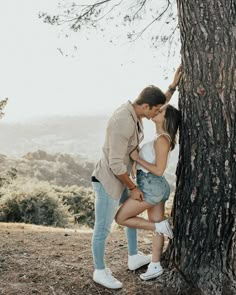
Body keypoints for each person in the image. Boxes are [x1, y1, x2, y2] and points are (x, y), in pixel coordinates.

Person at [91, 66, 182, 289]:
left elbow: (161, 109)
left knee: (129, 217)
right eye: (156, 109)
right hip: (110, 180)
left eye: (160, 109)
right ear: (145, 107)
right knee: (102, 228)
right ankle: (100, 271)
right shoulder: (124, 120)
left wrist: (172, 86)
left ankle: (133, 257)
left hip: (125, 177)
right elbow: (115, 163)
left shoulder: (138, 112)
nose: (158, 112)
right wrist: (132, 187)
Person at [115, 103, 181, 281]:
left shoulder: (162, 139)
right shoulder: (160, 137)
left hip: (152, 186)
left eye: (161, 111)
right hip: (154, 186)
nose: (156, 111)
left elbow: (159, 170)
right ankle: (155, 265)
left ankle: (159, 227)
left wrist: (137, 159)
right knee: (157, 223)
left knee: (121, 218)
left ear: (167, 119)